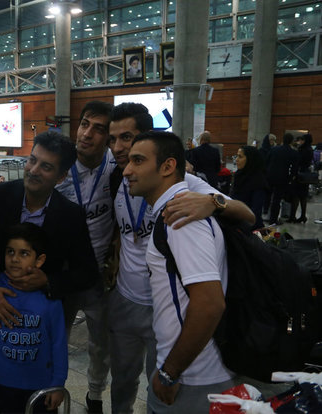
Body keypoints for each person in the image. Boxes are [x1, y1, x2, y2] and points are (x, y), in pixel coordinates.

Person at [107, 102, 254, 414]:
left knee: (159, 385)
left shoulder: (184, 209)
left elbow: (210, 303)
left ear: (165, 165)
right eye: (113, 139)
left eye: (128, 142)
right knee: (124, 377)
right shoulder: (122, 180)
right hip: (132, 299)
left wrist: (212, 201)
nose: (118, 150)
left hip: (189, 351)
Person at [0, 130, 99, 413]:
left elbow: (87, 272)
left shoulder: (70, 215)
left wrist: (49, 280)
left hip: (37, 333)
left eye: (46, 166)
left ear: (61, 177)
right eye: (32, 160)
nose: (33, 170)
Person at [123, 131, 235, 413]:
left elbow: (209, 304)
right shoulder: (177, 210)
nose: (127, 170)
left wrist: (170, 372)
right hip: (190, 370)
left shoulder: (181, 218)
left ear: (168, 167)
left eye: (138, 161)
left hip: (193, 376)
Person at [55, 100, 115, 413]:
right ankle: (53, 391)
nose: (87, 134)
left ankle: (95, 395)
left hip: (99, 276)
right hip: (64, 274)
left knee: (100, 343)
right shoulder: (61, 167)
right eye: (84, 124)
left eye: (99, 129)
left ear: (109, 136)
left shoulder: (117, 170)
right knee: (55, 340)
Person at [0, 223, 67, 414]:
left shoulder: (50, 299)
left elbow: (59, 344)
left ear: (39, 260)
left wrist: (58, 383)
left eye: (24, 253)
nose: (15, 259)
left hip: (42, 386)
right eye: (10, 252)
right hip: (3, 385)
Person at [231, 146, 267, 229]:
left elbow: (255, 212)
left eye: (240, 157)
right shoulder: (239, 175)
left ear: (250, 159)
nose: (236, 160)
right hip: (235, 222)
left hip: (248, 227)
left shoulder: (258, 181)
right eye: (237, 156)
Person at [266, 133, 298, 225]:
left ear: (282, 140)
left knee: (267, 197)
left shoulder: (273, 149)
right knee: (277, 199)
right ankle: (273, 219)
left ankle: (265, 215)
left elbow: (267, 162)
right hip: (283, 178)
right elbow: (294, 168)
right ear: (291, 141)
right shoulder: (293, 152)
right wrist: (291, 178)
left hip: (270, 176)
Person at [288, 133, 314, 223]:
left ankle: (292, 216)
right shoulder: (310, 149)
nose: (300, 141)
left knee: (295, 196)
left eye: (302, 140)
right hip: (306, 175)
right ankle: (303, 216)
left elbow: (297, 161)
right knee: (303, 196)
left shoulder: (303, 150)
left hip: (299, 175)